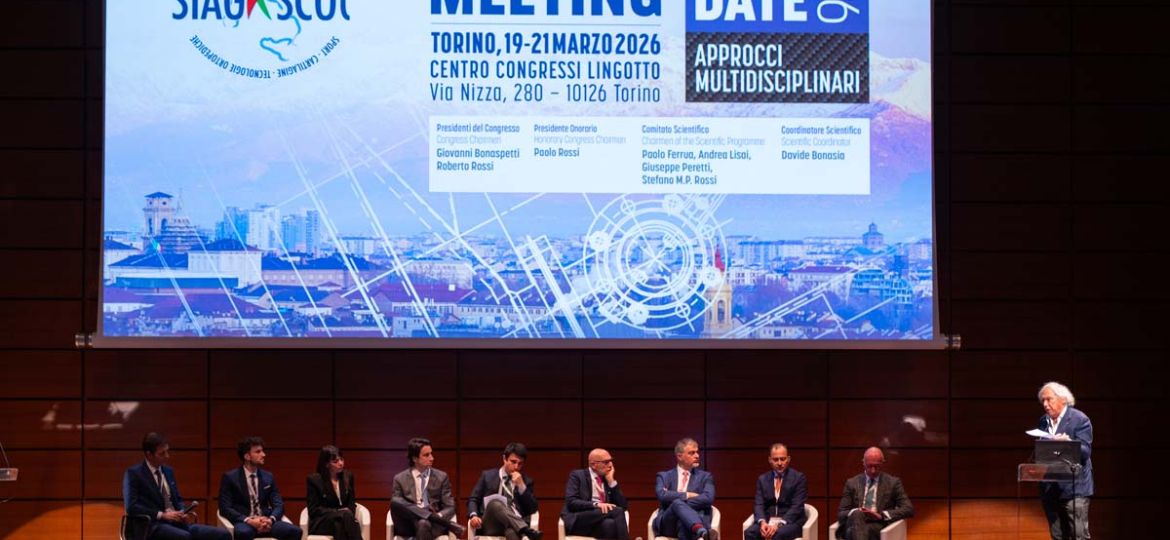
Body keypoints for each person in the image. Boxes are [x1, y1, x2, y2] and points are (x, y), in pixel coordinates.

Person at [122, 432, 230, 540]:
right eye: (162, 453)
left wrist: (182, 511)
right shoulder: (134, 474)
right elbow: (131, 507)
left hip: (176, 523)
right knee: (184, 537)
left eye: (167, 451)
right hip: (151, 526)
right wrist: (162, 515)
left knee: (223, 534)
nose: (167, 456)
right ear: (149, 455)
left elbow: (177, 499)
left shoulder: (168, 471)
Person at [1037, 381, 1093, 540]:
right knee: (1057, 536)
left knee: (1078, 536)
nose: (1045, 404)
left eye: (1049, 399)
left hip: (1074, 488)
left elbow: (1085, 453)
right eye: (1043, 401)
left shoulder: (1079, 419)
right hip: (1050, 488)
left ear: (1062, 399)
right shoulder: (1043, 421)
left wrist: (1068, 443)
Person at [217, 436, 302, 540]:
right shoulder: (230, 478)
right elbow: (225, 508)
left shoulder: (268, 477)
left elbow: (279, 504)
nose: (263, 454)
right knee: (243, 533)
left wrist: (270, 519)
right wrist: (249, 520)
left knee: (295, 531)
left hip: (266, 520)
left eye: (262, 451)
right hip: (246, 521)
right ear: (247, 456)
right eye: (258, 452)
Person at [391, 437, 466, 540]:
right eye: (426, 455)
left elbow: (450, 506)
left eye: (431, 454)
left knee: (423, 523)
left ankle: (431, 518)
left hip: (433, 525)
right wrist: (427, 515)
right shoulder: (400, 478)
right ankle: (437, 519)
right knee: (395, 501)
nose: (432, 458)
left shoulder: (441, 477)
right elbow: (398, 505)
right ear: (414, 459)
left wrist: (438, 516)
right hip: (408, 525)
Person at [834, 447, 913, 540]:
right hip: (854, 523)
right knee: (857, 514)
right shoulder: (852, 483)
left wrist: (881, 515)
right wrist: (857, 511)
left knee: (855, 532)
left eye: (876, 466)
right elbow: (841, 513)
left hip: (877, 525)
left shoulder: (893, 483)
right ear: (863, 463)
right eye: (869, 466)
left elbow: (908, 509)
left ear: (882, 464)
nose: (873, 470)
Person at [467, 442, 542, 540]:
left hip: (513, 525)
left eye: (520, 463)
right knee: (495, 504)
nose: (516, 467)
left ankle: (522, 531)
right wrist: (473, 515)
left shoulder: (526, 481)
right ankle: (525, 530)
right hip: (491, 524)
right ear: (504, 459)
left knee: (511, 532)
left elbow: (533, 509)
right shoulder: (487, 476)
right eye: (513, 462)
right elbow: (473, 499)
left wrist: (521, 486)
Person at [654, 438, 717, 540]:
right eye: (691, 453)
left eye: (697, 452)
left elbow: (708, 498)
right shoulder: (664, 476)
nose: (697, 456)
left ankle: (700, 530)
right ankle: (702, 531)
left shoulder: (705, 477)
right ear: (679, 456)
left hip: (692, 520)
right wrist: (687, 495)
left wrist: (677, 503)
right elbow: (661, 495)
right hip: (669, 523)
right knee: (677, 503)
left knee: (679, 510)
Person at [561, 448, 629, 540]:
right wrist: (596, 504)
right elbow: (571, 502)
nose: (610, 465)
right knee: (616, 511)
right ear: (593, 465)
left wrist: (611, 481)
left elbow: (623, 506)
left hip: (599, 522)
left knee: (609, 524)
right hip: (580, 519)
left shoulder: (606, 479)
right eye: (606, 462)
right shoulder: (577, 475)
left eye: (611, 461)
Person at [744, 444, 807, 540]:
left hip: (790, 522)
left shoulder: (798, 478)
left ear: (788, 459)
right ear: (770, 460)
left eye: (783, 459)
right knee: (750, 533)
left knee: (776, 535)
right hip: (768, 520)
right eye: (776, 459)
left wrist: (779, 524)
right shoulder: (762, 479)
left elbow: (797, 507)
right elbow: (759, 504)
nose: (780, 463)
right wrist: (762, 522)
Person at [306, 445, 362, 540]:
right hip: (322, 521)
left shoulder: (348, 477)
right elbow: (313, 510)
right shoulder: (314, 480)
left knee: (339, 524)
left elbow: (351, 503)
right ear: (326, 464)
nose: (341, 463)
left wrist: (345, 514)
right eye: (335, 461)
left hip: (343, 520)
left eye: (341, 459)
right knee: (343, 518)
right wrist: (338, 512)